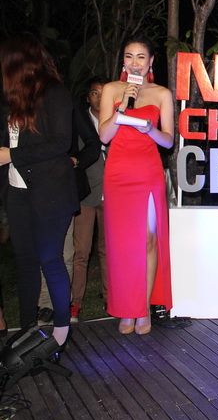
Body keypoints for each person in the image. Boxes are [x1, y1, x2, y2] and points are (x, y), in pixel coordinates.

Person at [0, 33, 79, 348]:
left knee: (50, 258)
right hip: (17, 191)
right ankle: (27, 331)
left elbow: (60, 142)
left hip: (51, 192)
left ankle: (60, 333)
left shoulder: (55, 93)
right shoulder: (10, 99)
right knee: (25, 261)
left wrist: (12, 155)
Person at [98, 37, 174, 335]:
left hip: (148, 171)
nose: (135, 63)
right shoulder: (111, 90)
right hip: (118, 173)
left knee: (148, 240)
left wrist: (149, 129)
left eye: (141, 57)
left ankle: (142, 309)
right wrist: (123, 109)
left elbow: (168, 141)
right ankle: (125, 309)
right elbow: (104, 136)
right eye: (129, 56)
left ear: (151, 61)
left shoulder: (161, 94)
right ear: (123, 61)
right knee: (122, 244)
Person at [37, 77, 103, 323]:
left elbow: (93, 144)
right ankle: (55, 304)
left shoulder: (69, 106)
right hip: (35, 187)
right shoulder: (24, 105)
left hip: (73, 187)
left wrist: (76, 161)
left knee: (73, 251)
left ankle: (60, 305)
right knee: (60, 251)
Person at [70, 77, 108, 322]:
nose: (99, 97)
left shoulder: (117, 119)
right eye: (95, 93)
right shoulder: (79, 120)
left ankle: (111, 298)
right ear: (88, 97)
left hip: (112, 195)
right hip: (86, 194)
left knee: (107, 250)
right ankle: (75, 303)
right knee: (81, 252)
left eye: (103, 93)